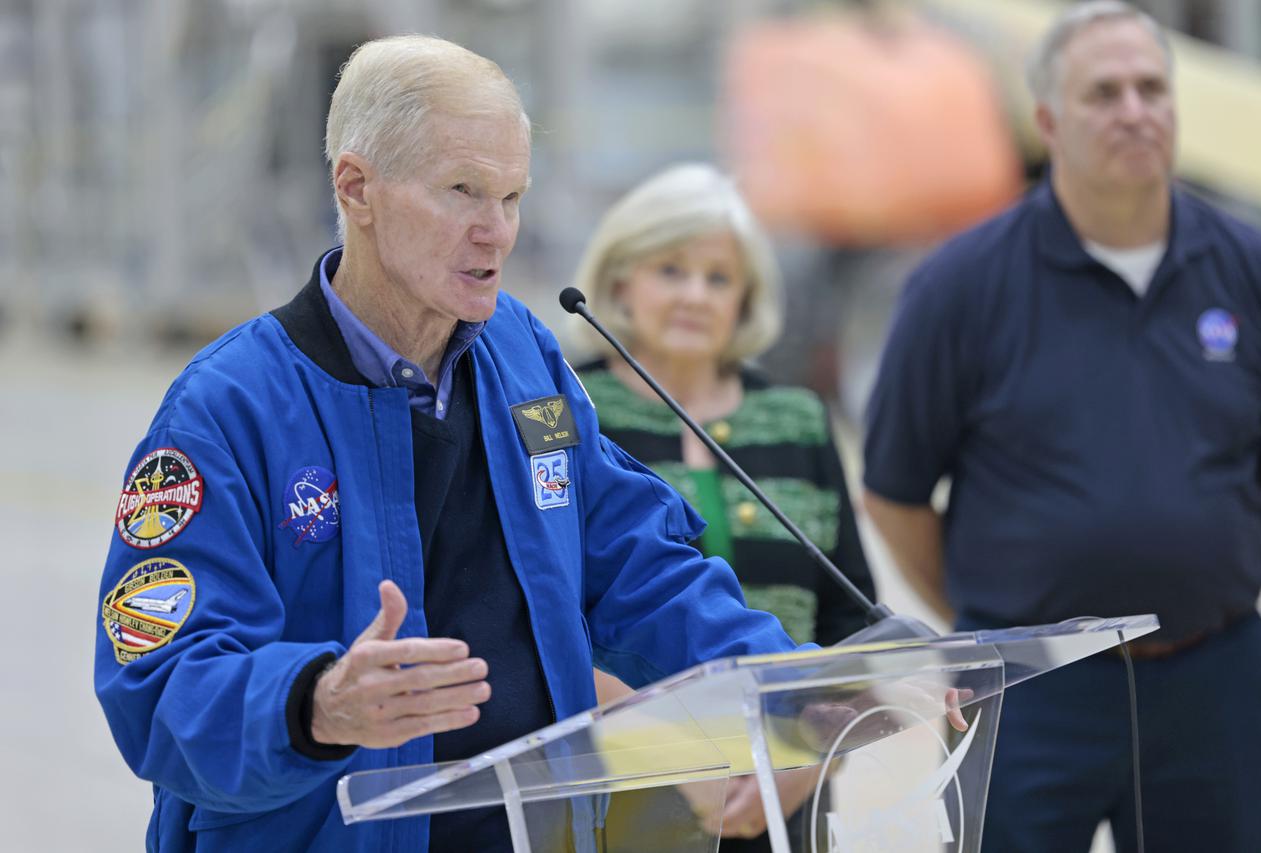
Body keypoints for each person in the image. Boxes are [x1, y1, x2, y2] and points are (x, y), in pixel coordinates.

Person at [93, 36, 808, 853]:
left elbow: (629, 556)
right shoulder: (224, 411)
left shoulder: (522, 358)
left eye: (512, 196)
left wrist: (784, 679)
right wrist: (315, 701)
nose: (496, 233)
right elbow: (156, 687)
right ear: (357, 188)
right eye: (463, 191)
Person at [862, 3, 1261, 851]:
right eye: (1104, 93)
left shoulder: (1255, 269)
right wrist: (1015, 627)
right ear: (1048, 120)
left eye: (1151, 88)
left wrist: (1201, 574)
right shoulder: (959, 288)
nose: (1134, 109)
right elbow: (895, 492)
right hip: (1031, 694)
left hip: (1214, 679)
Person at [572, 162, 878, 848]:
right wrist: (669, 751)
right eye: (671, 270)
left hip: (786, 788)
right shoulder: (567, 413)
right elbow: (548, 614)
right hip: (622, 788)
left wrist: (808, 749)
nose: (695, 295)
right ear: (620, 280)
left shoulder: (797, 418)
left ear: (746, 298)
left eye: (718, 278)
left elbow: (849, 614)